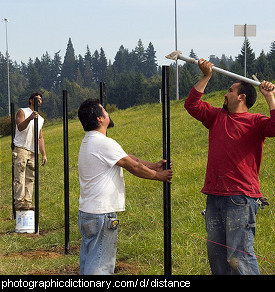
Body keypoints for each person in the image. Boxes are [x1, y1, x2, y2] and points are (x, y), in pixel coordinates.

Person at [184, 59, 275, 275]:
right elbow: (192, 105)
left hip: (241, 199)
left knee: (238, 258)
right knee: (217, 259)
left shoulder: (256, 121)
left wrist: (270, 97)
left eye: (230, 90)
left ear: (242, 96)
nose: (225, 94)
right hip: (214, 196)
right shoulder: (217, 117)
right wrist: (206, 76)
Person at [77, 99, 173, 275]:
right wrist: (158, 176)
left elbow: (127, 158)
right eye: (104, 110)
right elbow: (133, 167)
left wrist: (152, 165)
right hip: (101, 215)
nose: (107, 113)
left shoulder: (89, 142)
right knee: (100, 267)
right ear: (99, 118)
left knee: (89, 263)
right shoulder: (104, 143)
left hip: (88, 213)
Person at [13, 92, 47, 211]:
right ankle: (19, 204)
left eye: (41, 100)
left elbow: (40, 137)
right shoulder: (22, 111)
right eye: (37, 99)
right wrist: (30, 118)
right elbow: (20, 126)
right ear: (31, 100)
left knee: (30, 178)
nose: (39, 101)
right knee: (19, 177)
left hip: (33, 151)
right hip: (21, 148)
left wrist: (43, 154)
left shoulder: (41, 119)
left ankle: (27, 203)